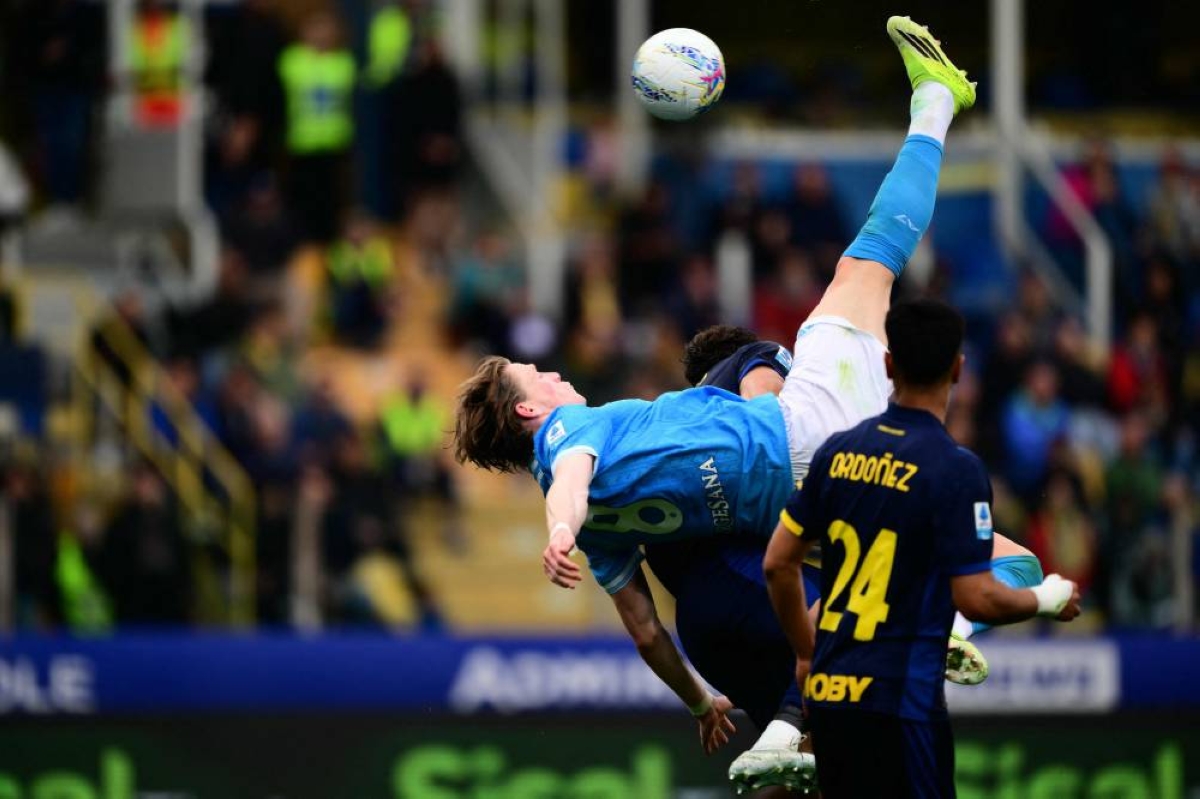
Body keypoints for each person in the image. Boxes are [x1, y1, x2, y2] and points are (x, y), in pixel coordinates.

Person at [454, 13, 975, 772]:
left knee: (881, 549)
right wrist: (557, 529)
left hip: (794, 499)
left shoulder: (605, 530)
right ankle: (936, 101)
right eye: (536, 377)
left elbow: (642, 628)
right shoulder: (569, 441)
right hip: (796, 433)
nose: (553, 373)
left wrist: (699, 700)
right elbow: (567, 484)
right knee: (865, 267)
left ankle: (942, 626)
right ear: (530, 410)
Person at [762, 297, 1082, 798]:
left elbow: (778, 564)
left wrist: (806, 655)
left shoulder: (837, 454)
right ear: (958, 368)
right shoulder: (955, 470)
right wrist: (1046, 598)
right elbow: (977, 596)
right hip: (901, 702)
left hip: (830, 696)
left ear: (889, 365)